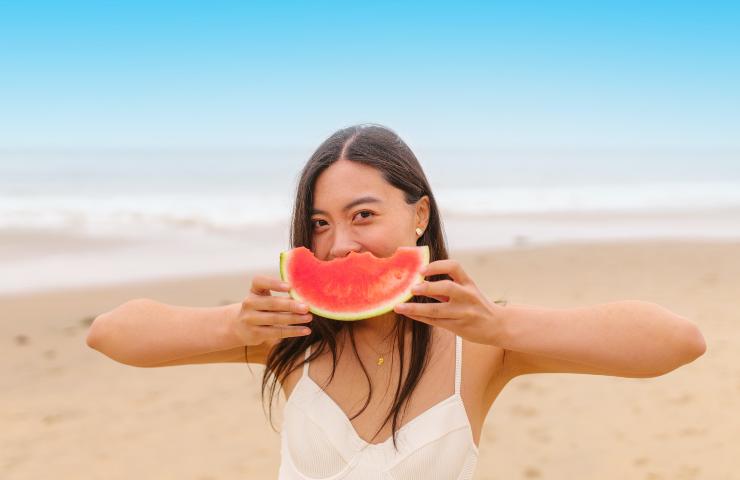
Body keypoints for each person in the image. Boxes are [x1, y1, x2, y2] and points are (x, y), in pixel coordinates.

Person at [87, 123, 707, 479]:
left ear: (419, 214)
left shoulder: (484, 344)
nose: (339, 246)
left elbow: (675, 343)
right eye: (320, 224)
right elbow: (112, 334)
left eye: (363, 215)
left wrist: (500, 320)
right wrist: (228, 322)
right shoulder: (290, 333)